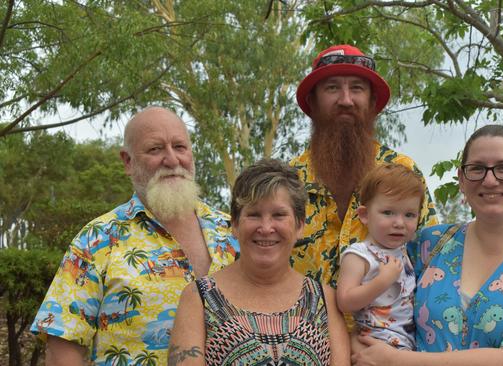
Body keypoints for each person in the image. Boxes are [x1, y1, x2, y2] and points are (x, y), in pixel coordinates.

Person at [352, 125, 503, 365]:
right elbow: (374, 306)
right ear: (461, 179)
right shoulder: (429, 244)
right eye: (477, 169)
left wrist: (398, 361)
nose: (490, 180)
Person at [30, 107, 238, 365]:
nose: (172, 160)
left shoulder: (233, 231)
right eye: (155, 149)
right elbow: (63, 345)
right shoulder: (97, 239)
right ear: (128, 161)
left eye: (180, 146)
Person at [168, 159, 349, 365]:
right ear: (235, 224)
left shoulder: (326, 301)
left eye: (279, 215)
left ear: (300, 225)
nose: (265, 227)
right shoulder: (198, 298)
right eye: (253, 215)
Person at [290, 44, 437, 288]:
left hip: (390, 326)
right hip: (305, 326)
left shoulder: (402, 171)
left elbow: (431, 260)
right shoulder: (288, 181)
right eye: (332, 88)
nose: (346, 100)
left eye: (357, 88)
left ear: (372, 101)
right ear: (312, 101)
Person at [337, 164, 424, 350]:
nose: (399, 223)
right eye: (388, 212)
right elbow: (344, 301)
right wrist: (382, 281)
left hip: (406, 347)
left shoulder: (406, 251)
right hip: (373, 343)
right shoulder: (359, 255)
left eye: (409, 214)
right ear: (364, 215)